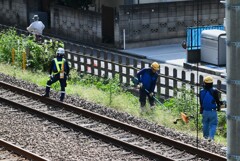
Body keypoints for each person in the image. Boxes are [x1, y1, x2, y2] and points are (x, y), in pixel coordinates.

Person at [199, 76, 222, 142]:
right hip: (212, 111)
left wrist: (201, 109)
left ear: (204, 83)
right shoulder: (214, 91)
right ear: (212, 83)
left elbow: (201, 102)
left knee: (205, 123)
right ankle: (211, 138)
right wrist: (219, 106)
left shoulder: (201, 91)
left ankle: (205, 137)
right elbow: (218, 101)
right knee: (213, 124)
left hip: (205, 111)